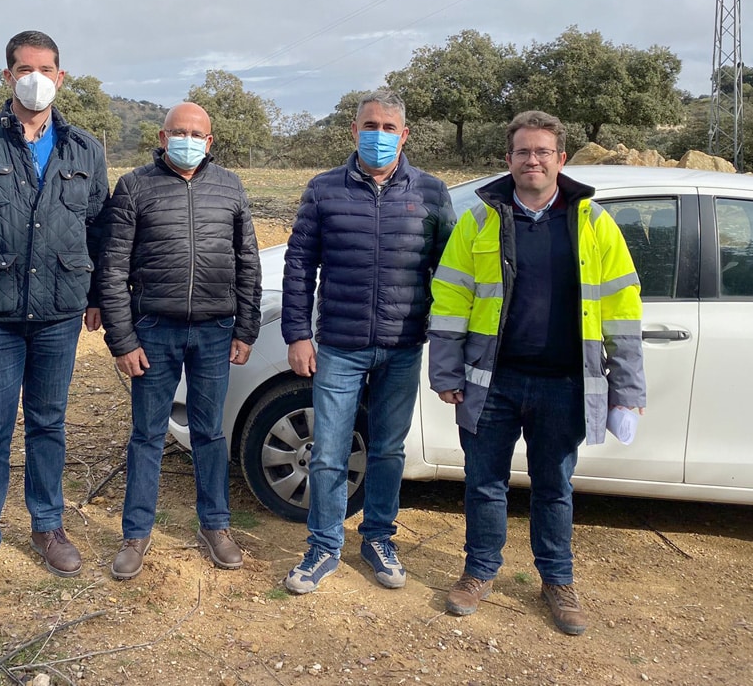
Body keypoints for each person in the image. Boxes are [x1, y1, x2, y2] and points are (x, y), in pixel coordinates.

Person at [428, 110, 647, 635]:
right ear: (508, 160)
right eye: (523, 151)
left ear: (560, 159)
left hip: (564, 383)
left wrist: (628, 388)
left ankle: (558, 582)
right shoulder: (480, 220)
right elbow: (451, 295)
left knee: (555, 487)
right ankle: (479, 571)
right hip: (492, 380)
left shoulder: (593, 222)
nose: (533, 160)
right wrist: (445, 370)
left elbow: (623, 307)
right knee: (484, 483)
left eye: (543, 151)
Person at [0, 30, 109, 609]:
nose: (36, 77)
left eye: (47, 68)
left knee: (49, 424)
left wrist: (98, 295)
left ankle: (47, 525)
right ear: (7, 76)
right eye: (24, 68)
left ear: (61, 76)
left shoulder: (84, 148)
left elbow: (100, 229)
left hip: (59, 311)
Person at [280, 90, 455, 594]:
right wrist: (297, 333)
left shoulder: (431, 192)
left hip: (403, 344)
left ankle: (378, 537)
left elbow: (448, 273)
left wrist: (445, 341)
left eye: (387, 127)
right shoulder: (323, 189)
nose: (377, 135)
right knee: (330, 452)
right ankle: (323, 545)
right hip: (338, 343)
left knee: (387, 451)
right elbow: (299, 265)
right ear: (354, 130)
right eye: (368, 125)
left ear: (404, 135)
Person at [98, 102, 262, 580]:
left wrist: (246, 328)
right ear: (162, 135)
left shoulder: (230, 186)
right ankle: (136, 533)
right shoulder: (134, 186)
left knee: (210, 433)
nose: (187, 139)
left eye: (196, 133)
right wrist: (122, 340)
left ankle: (215, 525)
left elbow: (247, 261)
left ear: (209, 142)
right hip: (154, 331)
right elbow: (113, 269)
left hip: (214, 332)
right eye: (178, 132)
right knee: (147, 435)